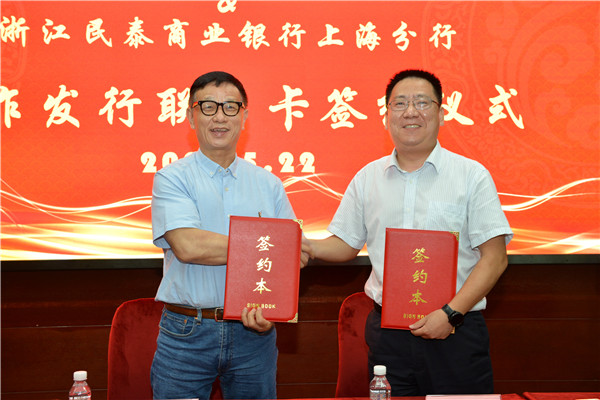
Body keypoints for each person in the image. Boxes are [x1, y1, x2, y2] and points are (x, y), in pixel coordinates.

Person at [305, 69, 513, 396]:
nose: (411, 111)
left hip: (456, 332)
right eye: (400, 103)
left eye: (422, 102)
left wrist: (450, 314)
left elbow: (495, 258)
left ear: (441, 114)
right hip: (389, 337)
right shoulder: (368, 178)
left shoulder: (472, 176)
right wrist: (306, 246)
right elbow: (345, 243)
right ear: (386, 116)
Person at [150, 71, 309, 399]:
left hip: (254, 335)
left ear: (244, 117)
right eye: (208, 107)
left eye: (230, 107)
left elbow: (294, 256)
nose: (220, 117)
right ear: (190, 116)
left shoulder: (269, 184)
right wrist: (269, 246)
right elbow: (188, 246)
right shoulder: (171, 178)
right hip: (187, 333)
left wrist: (273, 310)